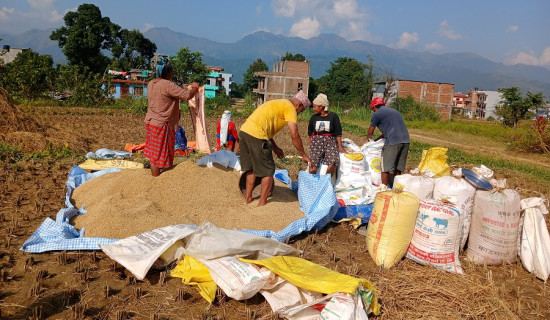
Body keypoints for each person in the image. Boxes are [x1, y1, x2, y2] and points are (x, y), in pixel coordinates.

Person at [239, 90, 312, 206]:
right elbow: (294, 134)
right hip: (257, 135)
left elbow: (266, 129)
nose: (298, 114)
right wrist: (303, 154)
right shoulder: (290, 108)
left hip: (244, 132)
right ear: (299, 105)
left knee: (251, 169)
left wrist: (275, 148)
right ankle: (262, 203)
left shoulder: (279, 103)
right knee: (268, 171)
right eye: (300, 111)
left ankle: (248, 199)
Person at [143, 58, 200, 176]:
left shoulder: (152, 83)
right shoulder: (168, 85)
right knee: (158, 156)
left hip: (151, 121)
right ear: (169, 73)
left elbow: (173, 93)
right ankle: (156, 181)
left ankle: (158, 179)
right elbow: (187, 95)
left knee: (154, 154)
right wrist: (194, 88)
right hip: (161, 124)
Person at [365, 97, 410, 187]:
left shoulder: (377, 114)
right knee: (398, 168)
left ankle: (384, 189)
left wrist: (368, 139)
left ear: (374, 107)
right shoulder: (394, 111)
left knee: (385, 167)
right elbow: (386, 133)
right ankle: (397, 188)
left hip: (393, 141)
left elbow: (371, 130)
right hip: (406, 140)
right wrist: (376, 140)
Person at [307, 93, 346, 177]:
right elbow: (310, 132)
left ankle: (326, 181)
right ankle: (312, 181)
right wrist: (311, 143)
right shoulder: (314, 117)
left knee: (333, 161)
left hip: (330, 141)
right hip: (316, 141)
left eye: (315, 107)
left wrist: (340, 146)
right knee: (313, 163)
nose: (313, 109)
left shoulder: (333, 116)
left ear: (321, 106)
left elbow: (338, 133)